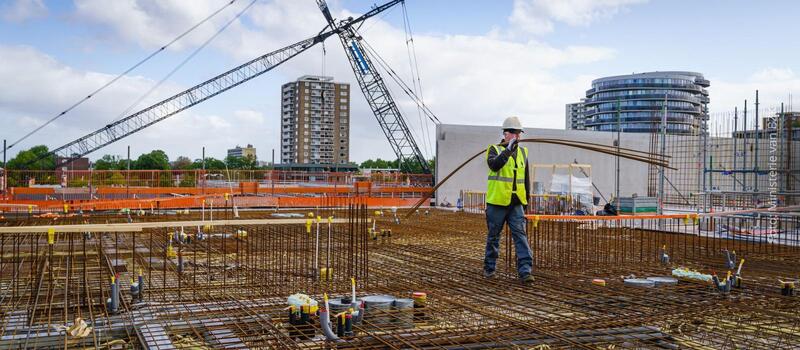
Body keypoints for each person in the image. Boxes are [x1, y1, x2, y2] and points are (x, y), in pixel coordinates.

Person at [483, 116, 534, 284]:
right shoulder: (494, 150)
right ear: (505, 134)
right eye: (514, 133)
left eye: (519, 133)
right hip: (497, 203)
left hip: (516, 203)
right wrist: (507, 150)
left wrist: (526, 201)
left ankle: (525, 271)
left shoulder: (523, 152)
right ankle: (489, 269)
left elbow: (525, 179)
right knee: (493, 237)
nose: (517, 136)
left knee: (521, 236)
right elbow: (495, 165)